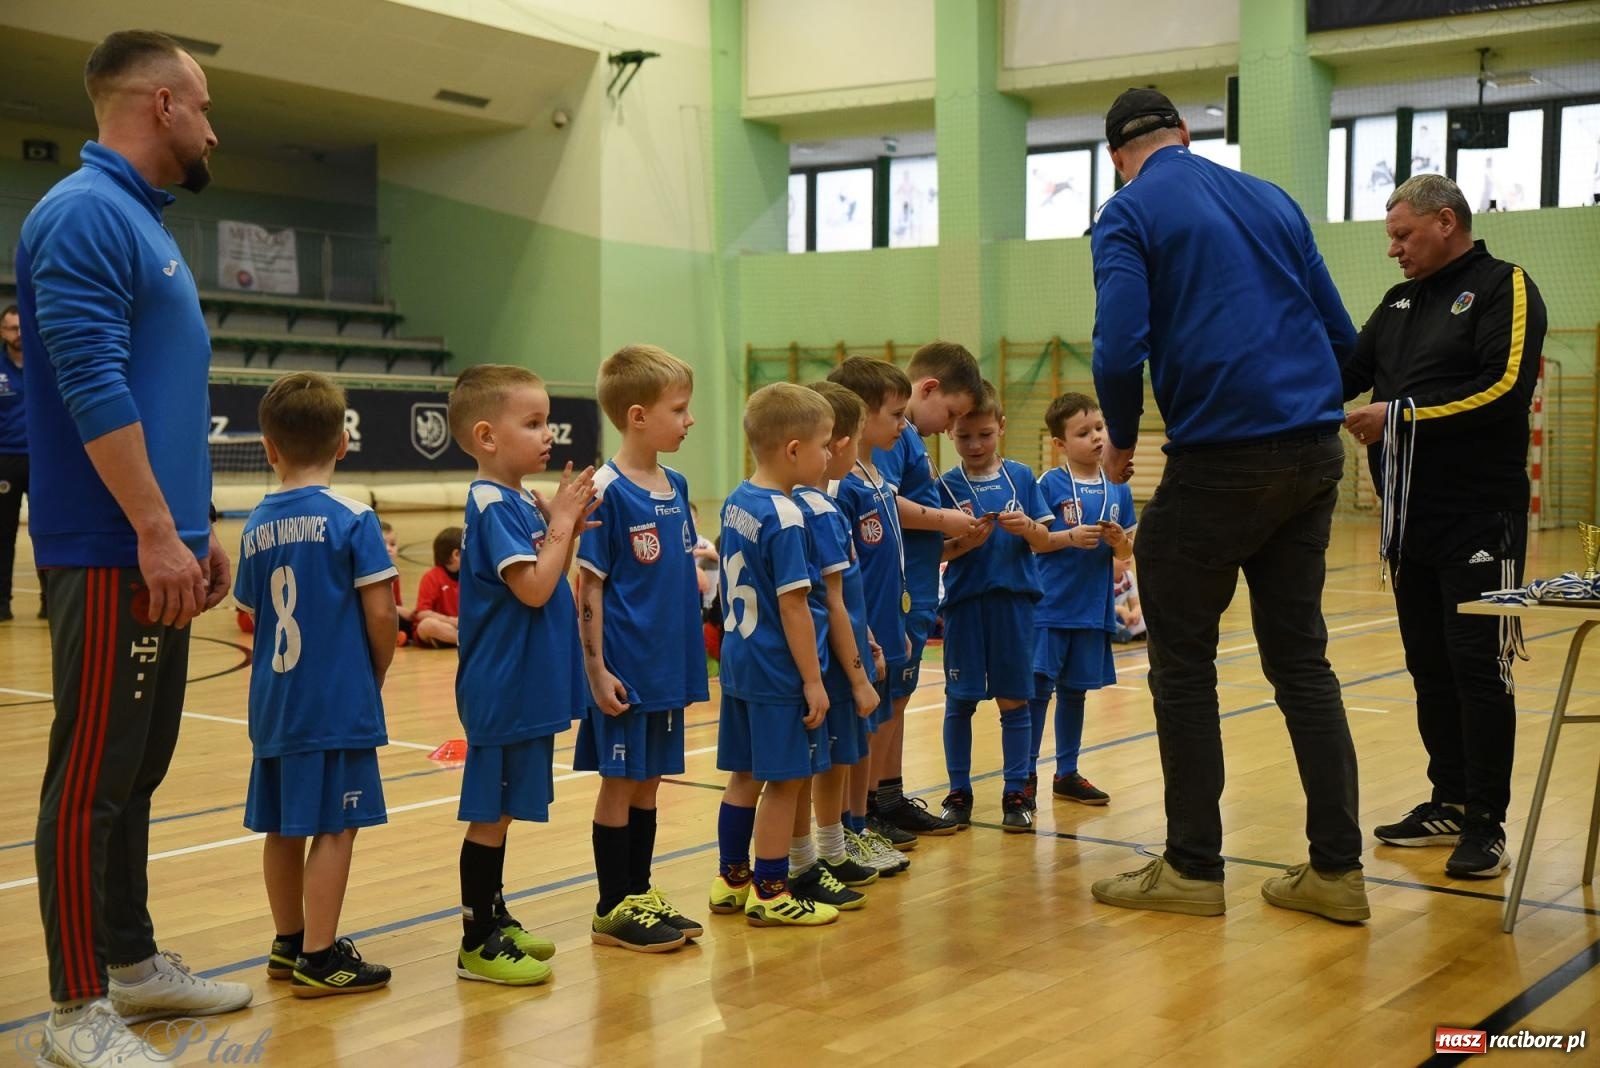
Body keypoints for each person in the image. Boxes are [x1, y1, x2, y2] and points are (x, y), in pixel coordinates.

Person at [19, 30, 251, 1063]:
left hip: (156, 547)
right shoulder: (80, 215)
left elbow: (159, 400)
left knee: (138, 768)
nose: (211, 126)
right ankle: (75, 1010)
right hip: (110, 547)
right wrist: (154, 530)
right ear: (159, 103)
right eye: (201, 106)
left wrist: (195, 534)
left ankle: (133, 961)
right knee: (92, 778)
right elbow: (91, 384)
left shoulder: (139, 225)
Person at [1087, 88, 1369, 924]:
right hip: (1314, 455)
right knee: (1302, 663)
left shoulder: (1128, 211)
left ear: (1116, 156)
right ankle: (1337, 872)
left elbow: (1117, 342)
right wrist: (1310, 406)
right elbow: (1344, 341)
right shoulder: (1271, 199)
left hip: (1219, 461)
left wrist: (1125, 437)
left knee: (1181, 666)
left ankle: (1192, 868)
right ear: (1185, 134)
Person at [1341, 173, 1546, 879]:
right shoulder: (1397, 302)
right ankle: (1450, 799)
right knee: (1429, 665)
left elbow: (1504, 389)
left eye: (1403, 235)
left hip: (1479, 517)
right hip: (1410, 522)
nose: (1393, 250)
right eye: (1391, 238)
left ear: (1447, 222)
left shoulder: (1502, 286)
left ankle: (1487, 822)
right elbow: (1345, 371)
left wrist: (1396, 416)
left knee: (1476, 667)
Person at [234, 372, 395, 997]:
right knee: (335, 824)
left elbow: (252, 613)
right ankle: (322, 958)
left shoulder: (252, 525)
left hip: (274, 702)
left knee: (282, 823)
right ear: (344, 443)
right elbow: (381, 615)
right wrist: (373, 675)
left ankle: (288, 941)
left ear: (269, 450)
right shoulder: (353, 517)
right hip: (334, 701)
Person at [448, 364, 597, 984]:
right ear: (487, 436)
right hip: (502, 684)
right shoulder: (491, 502)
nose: (548, 434)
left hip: (524, 682)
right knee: (490, 814)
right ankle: (477, 939)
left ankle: (494, 913)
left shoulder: (512, 501)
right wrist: (559, 523)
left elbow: (549, 575)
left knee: (503, 813)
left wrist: (567, 526)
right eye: (533, 423)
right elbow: (536, 590)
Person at [575, 344, 707, 952]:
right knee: (621, 783)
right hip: (625, 668)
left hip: (668, 666)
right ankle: (612, 906)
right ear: (636, 416)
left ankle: (640, 891)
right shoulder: (604, 491)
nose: (688, 420)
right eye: (678, 409)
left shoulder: (675, 483)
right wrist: (596, 669)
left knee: (651, 780)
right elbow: (590, 588)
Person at [708, 382, 840, 927]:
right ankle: (769, 889)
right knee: (784, 781)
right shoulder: (786, 515)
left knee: (743, 777)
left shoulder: (739, 500)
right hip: (777, 668)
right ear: (793, 450)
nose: (830, 455)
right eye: (825, 444)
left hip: (739, 661)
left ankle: (731, 878)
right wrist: (813, 680)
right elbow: (794, 608)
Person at [870, 342, 984, 843]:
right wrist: (945, 519)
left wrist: (955, 538)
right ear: (929, 389)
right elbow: (884, 503)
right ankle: (869, 807)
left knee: (900, 697)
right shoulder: (895, 436)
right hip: (896, 592)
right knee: (885, 700)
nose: (949, 426)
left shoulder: (912, 437)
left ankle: (890, 797)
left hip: (916, 588)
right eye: (952, 413)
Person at [934, 382, 1054, 832]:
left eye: (985, 434)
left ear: (1001, 427)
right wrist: (964, 543)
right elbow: (939, 553)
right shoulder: (945, 485)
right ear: (951, 434)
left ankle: (1016, 792)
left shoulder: (1022, 477)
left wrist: (1025, 528)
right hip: (965, 606)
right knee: (959, 700)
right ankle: (959, 791)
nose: (976, 444)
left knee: (1014, 700)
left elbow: (1044, 541)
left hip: (1014, 604)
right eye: (965, 437)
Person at [792, 380, 883, 901]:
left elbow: (844, 594)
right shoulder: (817, 510)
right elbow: (825, 600)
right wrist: (855, 671)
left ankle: (828, 851)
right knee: (814, 764)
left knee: (831, 760)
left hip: (837, 649)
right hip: (825, 659)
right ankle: (807, 860)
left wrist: (865, 635)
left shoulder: (818, 503)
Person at [827, 357, 915, 877]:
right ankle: (844, 829)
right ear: (861, 416)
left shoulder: (874, 472)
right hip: (862, 631)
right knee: (853, 738)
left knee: (869, 734)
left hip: (888, 626)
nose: (904, 425)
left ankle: (860, 826)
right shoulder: (842, 486)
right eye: (897, 414)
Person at [1030, 392, 1135, 809]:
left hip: (1092, 610)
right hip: (1050, 608)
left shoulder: (1118, 488)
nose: (1095, 438)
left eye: (1099, 428)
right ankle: (1022, 775)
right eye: (1083, 432)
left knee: (1075, 693)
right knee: (1038, 692)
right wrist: (1068, 538)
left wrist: (1117, 541)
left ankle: (1066, 772)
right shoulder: (1048, 484)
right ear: (1059, 444)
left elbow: (1125, 557)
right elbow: (1034, 543)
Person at [0, 304, 42, 622]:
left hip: (43, 461)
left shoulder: (45, 365)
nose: (18, 334)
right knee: (3, 534)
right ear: (3, 332)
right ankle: (2, 603)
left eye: (21, 327)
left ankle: (51, 602)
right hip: (5, 462)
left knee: (45, 532)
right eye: (12, 328)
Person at [413, 526, 462, 648]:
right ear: (456, 554)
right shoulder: (432, 577)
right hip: (443, 627)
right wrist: (451, 621)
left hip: (463, 627)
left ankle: (460, 640)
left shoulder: (471, 577)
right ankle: (469, 642)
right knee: (427, 625)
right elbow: (422, 613)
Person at [378, 520, 414, 645]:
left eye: (392, 544)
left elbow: (397, 603)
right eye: (383, 544)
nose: (388, 549)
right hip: (377, 616)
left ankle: (399, 636)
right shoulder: (372, 572)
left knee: (412, 620)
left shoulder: (395, 571)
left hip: (391, 615)